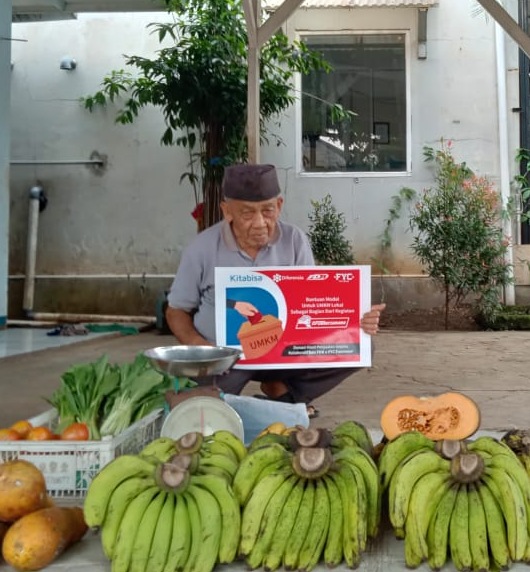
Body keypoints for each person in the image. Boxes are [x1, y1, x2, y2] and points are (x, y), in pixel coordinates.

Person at [165, 164, 385, 416]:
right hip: (227, 360)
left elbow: (313, 303)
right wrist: (202, 348)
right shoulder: (202, 247)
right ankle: (269, 397)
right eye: (247, 213)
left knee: (360, 347)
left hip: (285, 354)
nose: (260, 223)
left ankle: (285, 391)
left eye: (268, 210)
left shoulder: (294, 240)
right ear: (227, 211)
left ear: (279, 206)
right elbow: (176, 311)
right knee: (204, 410)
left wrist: (356, 320)